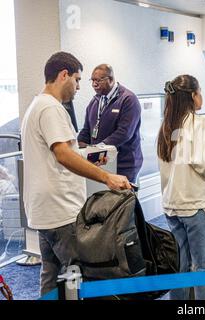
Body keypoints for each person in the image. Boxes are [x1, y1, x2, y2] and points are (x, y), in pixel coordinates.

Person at [21, 52, 131, 296]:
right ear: (63, 75)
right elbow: (63, 154)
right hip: (62, 212)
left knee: (52, 278)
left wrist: (93, 157)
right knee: (84, 274)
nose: (80, 86)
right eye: (77, 79)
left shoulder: (36, 105)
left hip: (45, 211)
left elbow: (62, 152)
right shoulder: (51, 108)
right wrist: (107, 177)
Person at [157, 75, 205, 300]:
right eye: (200, 92)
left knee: (181, 266)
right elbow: (204, 161)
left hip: (172, 206)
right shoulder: (199, 123)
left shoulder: (166, 126)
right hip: (196, 205)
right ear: (193, 96)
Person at [78, 64, 143, 183]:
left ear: (111, 79)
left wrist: (98, 148)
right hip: (101, 163)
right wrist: (77, 147)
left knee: (123, 201)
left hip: (124, 165)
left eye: (98, 80)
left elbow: (124, 133)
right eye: (92, 80)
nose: (94, 84)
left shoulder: (128, 100)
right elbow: (86, 130)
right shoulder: (95, 101)